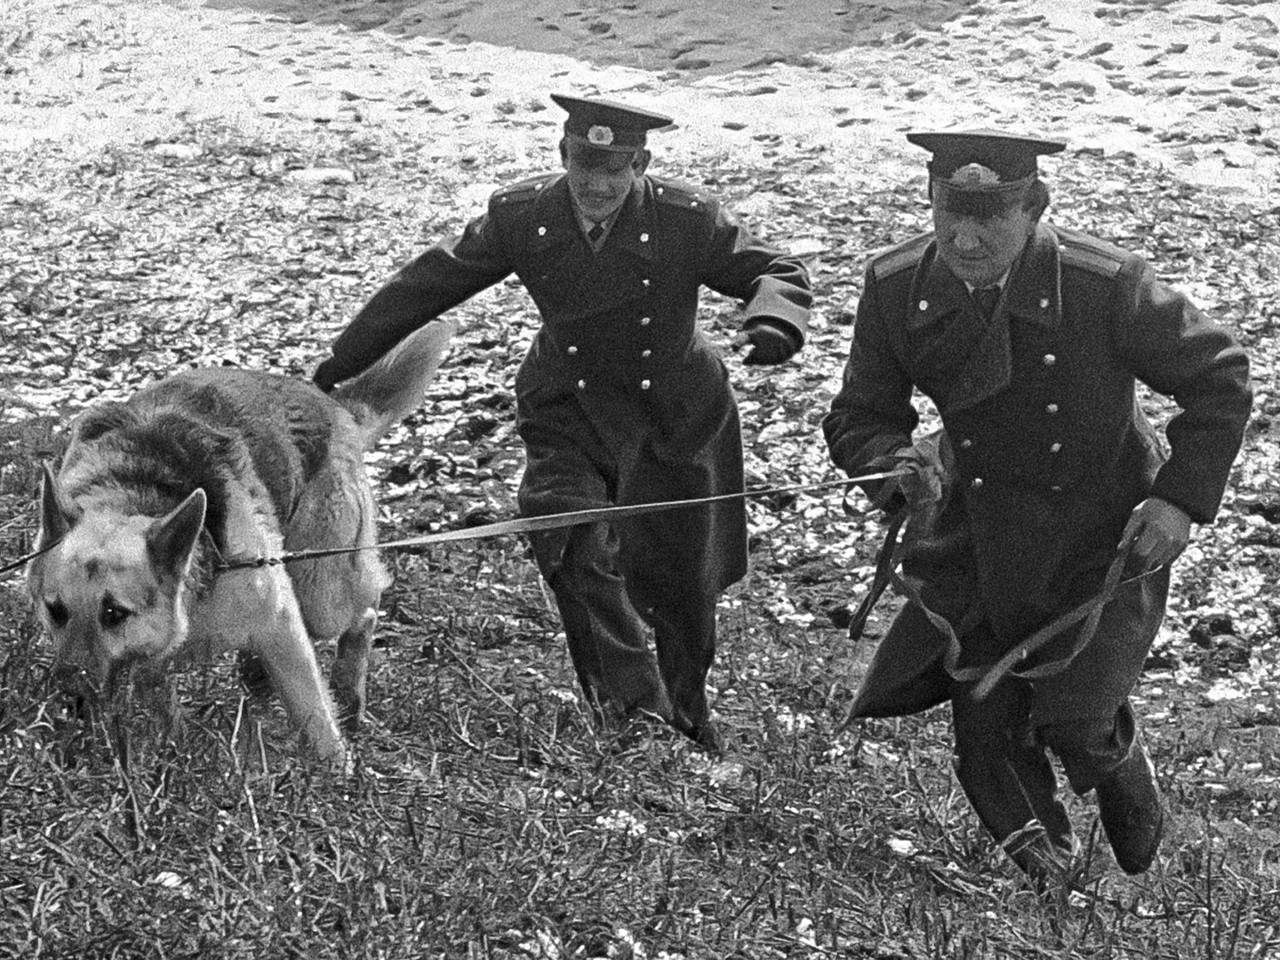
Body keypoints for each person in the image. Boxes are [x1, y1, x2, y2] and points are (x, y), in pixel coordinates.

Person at [313, 94, 811, 752]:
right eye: (584, 166)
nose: (597, 185)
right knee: (571, 539)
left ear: (642, 163)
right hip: (567, 408)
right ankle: (636, 724)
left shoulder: (686, 219)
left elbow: (776, 269)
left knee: (682, 586)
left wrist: (773, 322)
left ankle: (689, 715)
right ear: (562, 156)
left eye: (615, 170)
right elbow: (430, 284)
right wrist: (339, 363)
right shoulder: (524, 217)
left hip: (678, 418)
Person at [823, 129, 1251, 886]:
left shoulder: (1103, 283)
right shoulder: (896, 288)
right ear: (930, 200)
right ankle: (1046, 883)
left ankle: (1114, 760)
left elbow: (1219, 376)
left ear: (1035, 208)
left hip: (1106, 524)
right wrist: (894, 467)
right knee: (983, 719)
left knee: (1076, 716)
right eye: (951, 211)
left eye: (990, 215)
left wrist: (1178, 501)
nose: (966, 235)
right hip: (975, 527)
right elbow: (861, 413)